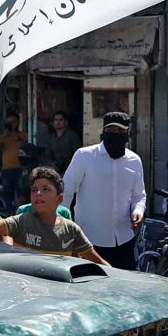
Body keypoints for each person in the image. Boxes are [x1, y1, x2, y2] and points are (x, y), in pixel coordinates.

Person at [0, 166, 106, 264]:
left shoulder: (71, 230)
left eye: (45, 189)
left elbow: (97, 261)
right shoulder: (22, 221)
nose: (38, 193)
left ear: (59, 199)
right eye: (34, 190)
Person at [61, 112, 147, 271]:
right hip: (89, 241)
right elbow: (66, 191)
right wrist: (63, 226)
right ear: (103, 131)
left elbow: (139, 195)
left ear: (127, 133)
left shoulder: (135, 161)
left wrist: (138, 211)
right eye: (111, 129)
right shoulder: (84, 156)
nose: (115, 134)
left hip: (124, 239)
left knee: (123, 287)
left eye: (120, 131)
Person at [0, 113, 30, 212]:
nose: (11, 124)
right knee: (7, 192)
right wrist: (5, 135)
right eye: (8, 122)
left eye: (13, 122)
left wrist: (14, 133)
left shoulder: (22, 134)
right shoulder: (2, 136)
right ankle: (9, 212)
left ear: (18, 123)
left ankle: (22, 212)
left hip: (20, 168)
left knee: (21, 192)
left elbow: (25, 145)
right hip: (6, 169)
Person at [39, 109, 78, 176]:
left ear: (66, 122)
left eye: (60, 120)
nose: (58, 122)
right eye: (56, 120)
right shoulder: (51, 138)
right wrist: (52, 164)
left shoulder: (72, 136)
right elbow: (48, 155)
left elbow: (77, 155)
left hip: (70, 170)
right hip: (55, 171)